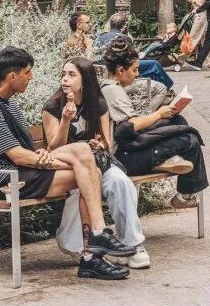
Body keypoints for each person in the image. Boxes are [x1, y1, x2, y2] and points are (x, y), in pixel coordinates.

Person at [0, 46, 136, 280]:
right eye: (27, 72)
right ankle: (92, 250)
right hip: (1, 180)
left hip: (20, 171)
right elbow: (17, 156)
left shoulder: (10, 106)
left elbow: (24, 154)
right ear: (12, 76)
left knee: (87, 163)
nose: (31, 77)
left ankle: (95, 241)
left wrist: (44, 157)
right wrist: (46, 160)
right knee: (86, 170)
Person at [44, 58, 150, 269]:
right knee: (81, 188)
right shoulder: (53, 106)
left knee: (120, 181)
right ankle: (76, 245)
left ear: (85, 79)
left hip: (98, 163)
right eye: (63, 74)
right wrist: (65, 120)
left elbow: (106, 142)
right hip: (67, 168)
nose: (65, 79)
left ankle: (133, 244)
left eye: (72, 75)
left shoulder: (98, 104)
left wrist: (99, 144)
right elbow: (53, 148)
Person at [102, 37, 208, 209]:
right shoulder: (113, 91)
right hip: (123, 158)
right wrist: (158, 114)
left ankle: (174, 168)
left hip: (128, 150)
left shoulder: (113, 87)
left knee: (177, 121)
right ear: (121, 70)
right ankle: (185, 195)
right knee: (190, 141)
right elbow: (131, 126)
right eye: (135, 70)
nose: (137, 75)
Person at [96, 12, 174, 87]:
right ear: (125, 26)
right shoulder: (124, 37)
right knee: (154, 64)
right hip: (123, 69)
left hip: (106, 69)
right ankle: (167, 88)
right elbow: (131, 58)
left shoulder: (99, 37)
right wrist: (137, 51)